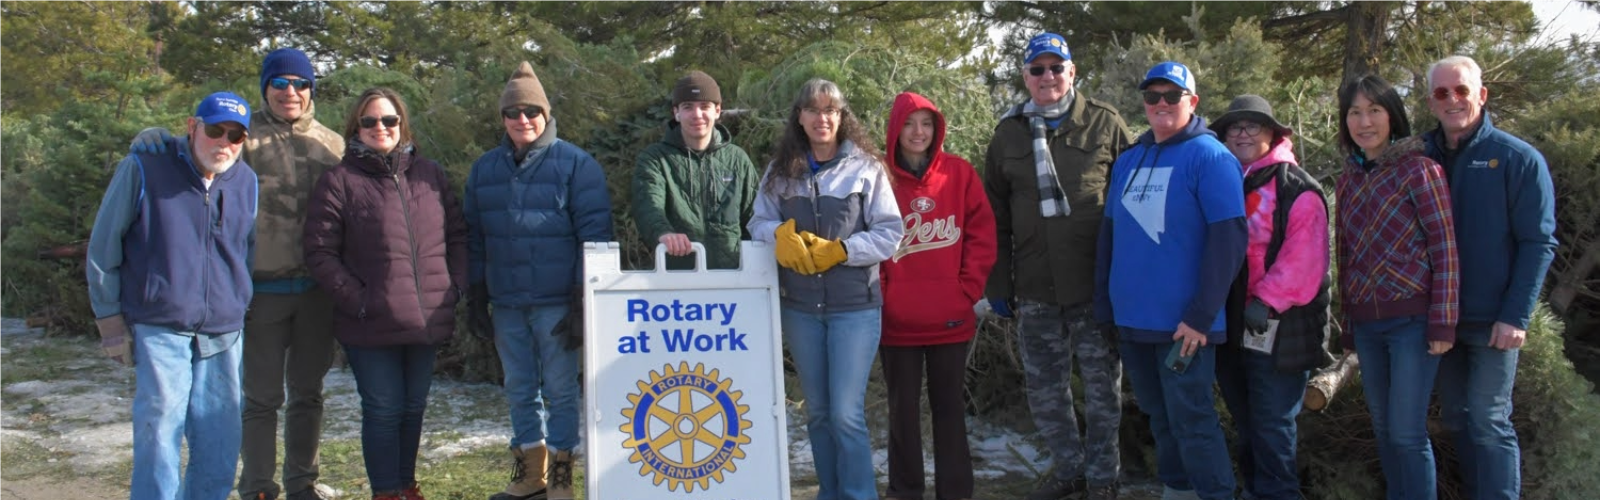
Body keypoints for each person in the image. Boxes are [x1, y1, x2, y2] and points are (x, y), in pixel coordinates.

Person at [129, 47, 344, 500]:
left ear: (311, 91)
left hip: (316, 292)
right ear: (266, 86)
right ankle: (258, 487)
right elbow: (196, 155)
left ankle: (303, 482)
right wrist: (153, 136)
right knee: (260, 399)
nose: (291, 91)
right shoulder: (243, 137)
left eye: (301, 83)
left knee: (308, 394)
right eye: (281, 82)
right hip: (259, 290)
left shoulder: (332, 144)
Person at [982, 32, 1133, 500]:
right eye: (1037, 69)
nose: (1047, 77)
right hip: (1034, 284)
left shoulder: (1105, 124)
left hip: (1095, 285)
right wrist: (997, 281)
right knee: (1046, 391)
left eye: (1056, 67)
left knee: (1104, 390)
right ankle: (1069, 472)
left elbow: (1134, 204)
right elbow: (995, 215)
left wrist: (1130, 280)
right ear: (1025, 76)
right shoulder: (1008, 133)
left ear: (1072, 72)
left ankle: (1104, 479)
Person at [88, 92, 258, 500]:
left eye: (236, 135)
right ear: (191, 126)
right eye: (215, 130)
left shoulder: (246, 181)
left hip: (224, 330)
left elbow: (245, 249)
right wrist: (110, 323)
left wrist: (239, 299)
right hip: (159, 325)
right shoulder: (144, 167)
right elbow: (103, 247)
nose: (224, 142)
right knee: (160, 428)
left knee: (221, 435)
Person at [303, 87, 467, 500]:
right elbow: (320, 252)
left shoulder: (430, 175)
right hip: (370, 323)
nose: (381, 128)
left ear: (402, 125)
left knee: (413, 409)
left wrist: (454, 286)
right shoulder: (340, 182)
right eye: (370, 121)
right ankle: (386, 492)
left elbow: (459, 236)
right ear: (355, 127)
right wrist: (359, 300)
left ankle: (406, 486)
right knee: (383, 409)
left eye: (389, 120)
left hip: (427, 318)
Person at [1094, 61, 1245, 500]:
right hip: (1134, 322)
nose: (1161, 104)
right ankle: (1177, 492)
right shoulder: (1129, 160)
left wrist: (1200, 316)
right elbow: (1110, 237)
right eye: (1152, 96)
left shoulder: (1212, 157)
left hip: (1187, 327)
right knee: (1159, 418)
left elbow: (1229, 243)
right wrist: (1105, 305)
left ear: (1192, 102)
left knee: (1193, 421)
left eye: (1172, 96)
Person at [747, 78, 902, 500]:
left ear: (842, 117)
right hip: (800, 309)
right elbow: (756, 222)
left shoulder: (866, 168)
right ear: (799, 117)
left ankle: (858, 495)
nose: (823, 118)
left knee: (845, 413)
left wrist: (842, 250)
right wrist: (778, 234)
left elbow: (891, 234)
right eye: (813, 110)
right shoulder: (781, 172)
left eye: (831, 110)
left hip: (855, 309)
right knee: (817, 414)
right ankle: (829, 493)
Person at [467, 62, 614, 500]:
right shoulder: (484, 169)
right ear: (502, 119)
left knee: (562, 389)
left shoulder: (576, 164)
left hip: (557, 303)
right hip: (507, 302)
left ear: (546, 113)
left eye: (532, 110)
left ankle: (563, 475)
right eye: (513, 112)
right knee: (518, 388)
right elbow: (474, 236)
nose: (523, 119)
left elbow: (596, 235)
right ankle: (530, 473)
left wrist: (582, 300)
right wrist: (475, 294)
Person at [1423, 55, 1557, 500]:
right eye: (1443, 93)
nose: (1453, 100)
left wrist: (1516, 316)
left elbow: (1538, 244)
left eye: (1461, 90)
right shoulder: (1420, 156)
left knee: (1489, 421)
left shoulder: (1517, 159)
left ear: (1481, 95)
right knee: (1458, 419)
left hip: (1494, 322)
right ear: (1432, 102)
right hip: (1440, 321)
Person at [1334, 74, 1459, 500]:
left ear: (1393, 115)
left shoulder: (1420, 170)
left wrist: (1442, 323)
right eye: (1354, 112)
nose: (1364, 121)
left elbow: (1444, 248)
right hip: (1368, 327)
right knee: (1385, 431)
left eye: (1374, 110)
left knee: (1407, 433)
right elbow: (1345, 254)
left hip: (1413, 323)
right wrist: (1349, 324)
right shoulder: (1348, 178)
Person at [1210, 95, 1333, 500]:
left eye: (1253, 126)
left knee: (1272, 422)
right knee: (1245, 420)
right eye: (1234, 127)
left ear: (1271, 134)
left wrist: (1266, 298)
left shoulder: (1295, 186)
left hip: (1279, 327)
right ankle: (1254, 490)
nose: (1243, 133)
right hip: (1230, 325)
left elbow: (1306, 257)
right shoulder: (1224, 181)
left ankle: (1278, 493)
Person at [879, 91, 997, 500]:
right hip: (897, 322)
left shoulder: (959, 174)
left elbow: (982, 237)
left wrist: (965, 291)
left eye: (926, 124)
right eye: (909, 123)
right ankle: (906, 491)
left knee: (950, 413)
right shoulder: (879, 176)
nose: (918, 132)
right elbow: (869, 241)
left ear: (937, 129)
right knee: (902, 415)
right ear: (896, 129)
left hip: (950, 318)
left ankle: (956, 492)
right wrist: (886, 295)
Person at [631, 70, 759, 269]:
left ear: (717, 111)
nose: (697, 115)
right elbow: (648, 206)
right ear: (676, 112)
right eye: (688, 107)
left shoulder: (737, 159)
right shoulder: (655, 159)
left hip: (733, 282)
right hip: (675, 278)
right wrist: (664, 233)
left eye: (704, 106)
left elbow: (755, 217)